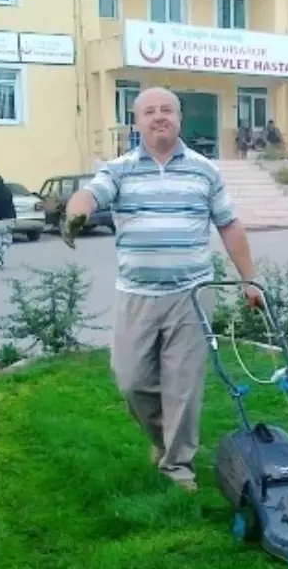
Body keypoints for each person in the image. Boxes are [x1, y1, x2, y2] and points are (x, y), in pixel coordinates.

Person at [61, 87, 264, 492]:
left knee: (183, 385)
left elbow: (228, 225)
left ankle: (178, 466)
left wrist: (249, 279)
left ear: (179, 118)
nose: (159, 117)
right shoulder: (119, 169)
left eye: (166, 110)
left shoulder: (205, 170)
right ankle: (162, 439)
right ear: (137, 122)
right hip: (136, 294)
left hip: (192, 294)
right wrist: (76, 214)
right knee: (131, 380)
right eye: (150, 111)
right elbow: (89, 194)